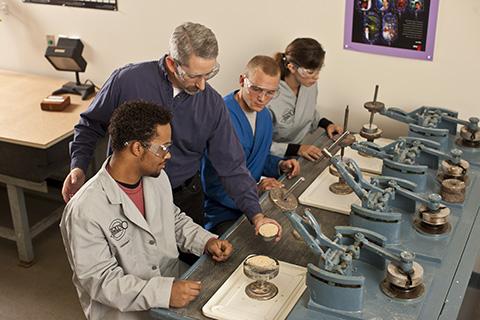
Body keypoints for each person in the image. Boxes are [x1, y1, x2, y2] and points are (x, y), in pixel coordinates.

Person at [61, 22, 281, 237]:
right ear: (171, 64)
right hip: (125, 195)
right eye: (194, 76)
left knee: (190, 263)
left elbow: (231, 166)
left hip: (183, 197)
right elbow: (91, 124)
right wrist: (78, 165)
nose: (202, 85)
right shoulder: (128, 81)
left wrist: (256, 214)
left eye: (209, 74)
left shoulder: (212, 104)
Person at [60, 101, 234, 320]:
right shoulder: (85, 210)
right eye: (163, 147)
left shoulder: (157, 178)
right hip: (125, 313)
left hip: (170, 290)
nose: (168, 155)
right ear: (137, 148)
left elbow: (173, 219)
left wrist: (205, 241)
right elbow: (102, 282)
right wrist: (163, 293)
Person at [201, 56, 300, 234]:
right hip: (223, 210)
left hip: (254, 202)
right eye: (256, 89)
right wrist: (255, 189)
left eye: (270, 92)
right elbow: (212, 180)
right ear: (242, 80)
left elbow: (254, 158)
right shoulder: (221, 117)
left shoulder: (264, 116)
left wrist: (279, 164)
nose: (262, 98)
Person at [268, 38, 344, 162]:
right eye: (310, 72)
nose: (316, 77)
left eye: (318, 71)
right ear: (291, 67)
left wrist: (327, 124)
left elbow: (307, 112)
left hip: (296, 155)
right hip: (270, 159)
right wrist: (297, 149)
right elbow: (258, 144)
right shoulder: (269, 95)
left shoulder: (309, 85)